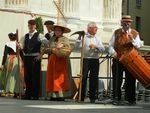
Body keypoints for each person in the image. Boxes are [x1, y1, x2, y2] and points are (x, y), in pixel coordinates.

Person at [109, 15, 142, 105]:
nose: (126, 24)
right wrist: (113, 53)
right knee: (117, 79)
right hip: (118, 59)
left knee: (130, 80)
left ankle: (131, 99)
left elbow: (138, 46)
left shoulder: (135, 33)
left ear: (130, 23)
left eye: (128, 22)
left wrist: (132, 40)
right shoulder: (116, 32)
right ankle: (116, 98)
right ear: (121, 23)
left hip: (130, 60)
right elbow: (110, 45)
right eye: (124, 22)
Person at [75, 22, 105, 103]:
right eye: (95, 27)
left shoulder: (97, 38)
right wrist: (79, 37)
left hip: (95, 59)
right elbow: (77, 47)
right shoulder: (84, 37)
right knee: (83, 77)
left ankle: (92, 97)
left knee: (94, 78)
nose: (96, 29)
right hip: (86, 59)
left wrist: (96, 46)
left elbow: (103, 49)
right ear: (89, 28)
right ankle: (81, 97)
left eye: (96, 27)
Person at [41, 23, 72, 101]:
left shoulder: (65, 39)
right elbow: (46, 49)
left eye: (59, 30)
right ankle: (53, 95)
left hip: (62, 61)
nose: (57, 32)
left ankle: (61, 95)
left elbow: (68, 48)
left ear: (62, 32)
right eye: (56, 30)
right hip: (52, 61)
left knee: (60, 78)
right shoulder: (52, 39)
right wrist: (53, 49)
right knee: (52, 77)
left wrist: (61, 47)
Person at [19, 19, 49, 100]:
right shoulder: (25, 36)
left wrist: (41, 54)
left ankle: (35, 95)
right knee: (27, 76)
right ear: (28, 26)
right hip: (27, 57)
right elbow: (21, 45)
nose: (31, 26)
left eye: (33, 25)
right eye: (30, 25)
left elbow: (48, 44)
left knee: (35, 76)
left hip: (35, 58)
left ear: (35, 26)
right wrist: (20, 46)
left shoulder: (40, 35)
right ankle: (28, 94)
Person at [0, 32, 24, 97]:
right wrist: (23, 61)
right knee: (17, 76)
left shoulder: (8, 44)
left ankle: (10, 90)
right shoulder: (18, 44)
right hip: (17, 60)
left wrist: (2, 64)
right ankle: (17, 91)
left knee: (9, 75)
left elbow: (5, 54)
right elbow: (22, 54)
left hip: (10, 60)